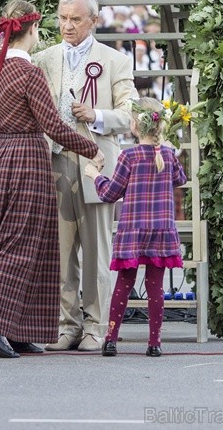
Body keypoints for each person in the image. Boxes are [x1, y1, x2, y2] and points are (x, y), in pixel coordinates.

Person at [0, 0, 102, 358]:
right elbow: (52, 125)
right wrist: (90, 148)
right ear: (32, 30)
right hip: (26, 160)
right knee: (21, 244)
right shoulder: (30, 73)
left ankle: (16, 329)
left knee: (0, 240)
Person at [34, 0, 137, 352]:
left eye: (75, 19)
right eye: (62, 18)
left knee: (96, 251)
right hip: (55, 163)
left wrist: (98, 117)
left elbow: (130, 114)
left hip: (97, 166)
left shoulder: (114, 61)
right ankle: (67, 325)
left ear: (94, 20)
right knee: (61, 252)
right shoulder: (43, 59)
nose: (67, 25)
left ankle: (97, 327)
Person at [84, 97, 187, 357]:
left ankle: (110, 339)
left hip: (133, 229)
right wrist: (169, 150)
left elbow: (110, 193)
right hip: (161, 229)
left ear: (134, 125)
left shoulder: (128, 156)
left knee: (124, 283)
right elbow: (180, 179)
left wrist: (95, 175)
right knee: (155, 286)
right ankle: (154, 343)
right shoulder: (168, 154)